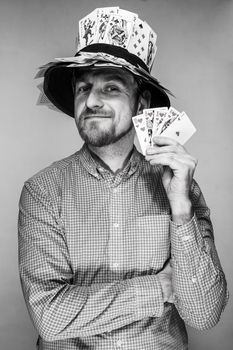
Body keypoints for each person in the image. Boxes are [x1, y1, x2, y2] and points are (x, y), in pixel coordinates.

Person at [18, 7, 228, 350]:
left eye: (111, 87)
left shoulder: (180, 187)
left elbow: (204, 314)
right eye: (83, 88)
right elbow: (50, 318)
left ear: (141, 101)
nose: (92, 101)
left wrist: (180, 210)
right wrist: (160, 288)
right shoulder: (42, 191)